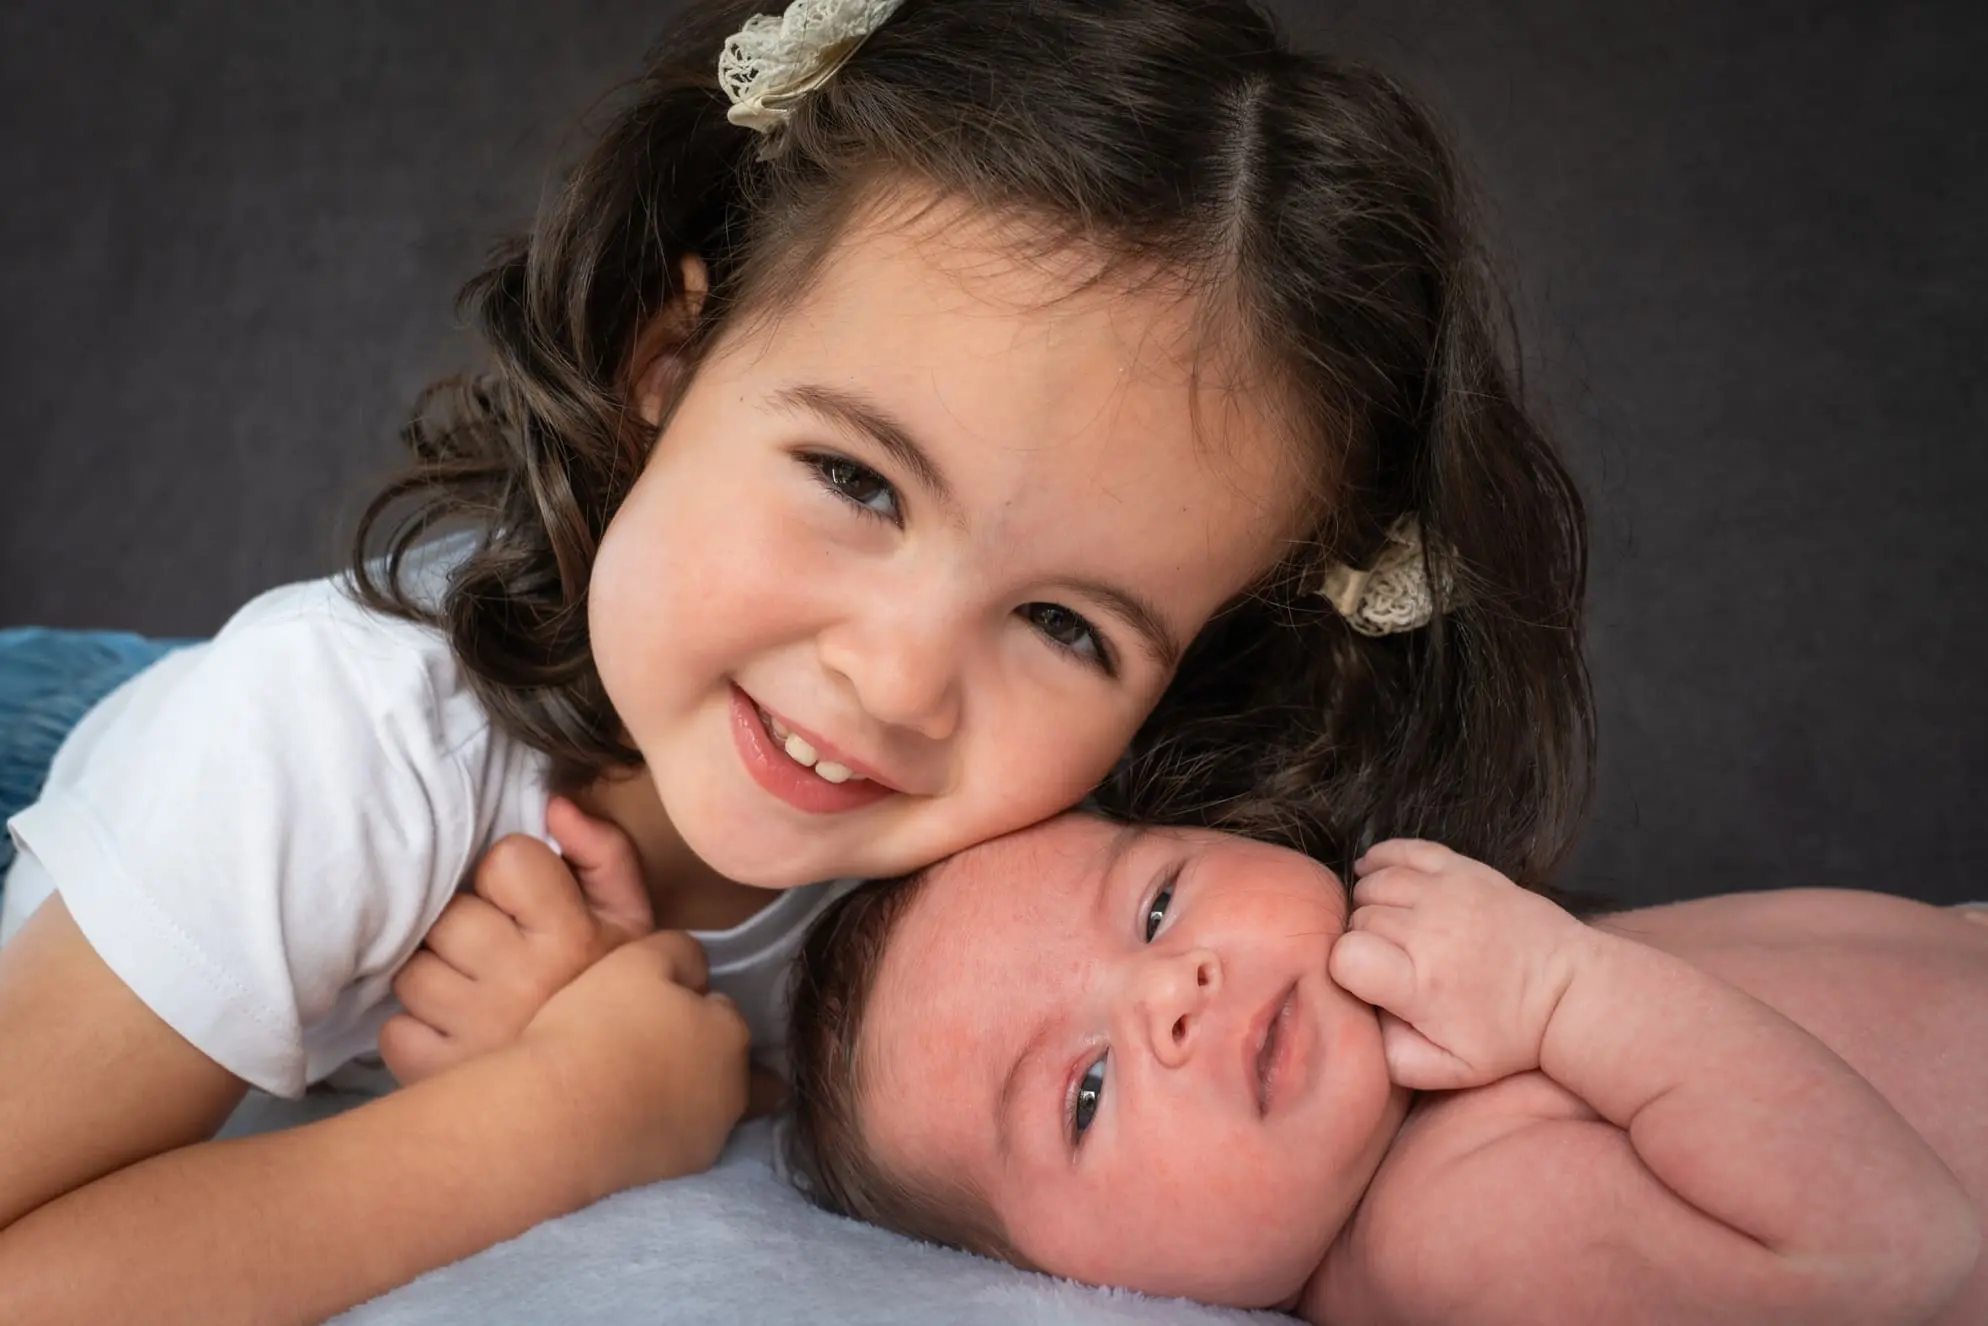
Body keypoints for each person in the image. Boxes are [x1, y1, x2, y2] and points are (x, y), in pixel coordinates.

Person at [0, 0, 1591, 1320]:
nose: (898, 680)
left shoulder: (1048, 874)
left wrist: (592, 1019)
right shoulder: (327, 749)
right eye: (856, 480)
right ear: (665, 362)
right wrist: (555, 1116)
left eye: (1065, 624)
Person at [783, 814, 1988, 1325]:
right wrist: (1562, 986)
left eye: (1156, 905)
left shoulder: (1437, 1032)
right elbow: (1896, 1254)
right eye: (1084, 1095)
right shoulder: (1454, 1231)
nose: (1170, 993)